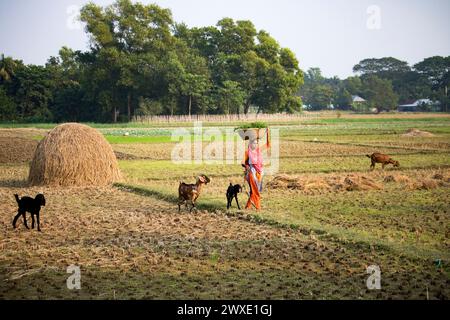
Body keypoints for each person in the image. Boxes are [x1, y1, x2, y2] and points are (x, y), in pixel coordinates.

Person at [242, 128, 270, 210]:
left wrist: (268, 133)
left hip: (260, 172)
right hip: (251, 173)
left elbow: (268, 144)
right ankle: (258, 208)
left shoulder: (259, 150)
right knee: (255, 191)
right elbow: (243, 162)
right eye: (254, 143)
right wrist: (247, 167)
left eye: (256, 143)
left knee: (254, 191)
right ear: (250, 144)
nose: (255, 145)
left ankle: (247, 207)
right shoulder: (247, 152)